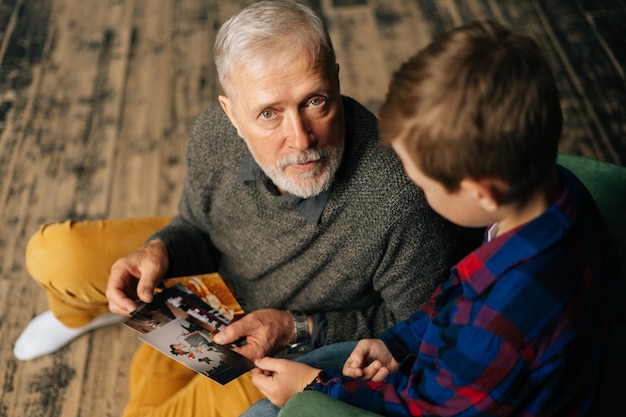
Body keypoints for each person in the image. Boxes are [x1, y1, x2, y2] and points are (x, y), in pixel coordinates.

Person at [14, 2, 481, 416]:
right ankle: (85, 313)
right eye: (268, 114)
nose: (301, 140)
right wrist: (159, 248)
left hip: (282, 349)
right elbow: (195, 224)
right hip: (209, 284)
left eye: (315, 101)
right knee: (55, 255)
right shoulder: (214, 134)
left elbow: (414, 331)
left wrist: (298, 327)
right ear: (231, 113)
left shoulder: (400, 199)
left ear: (336, 78)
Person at [250, 20, 620, 416]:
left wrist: (312, 388)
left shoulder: (500, 320)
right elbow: (456, 294)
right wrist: (397, 342)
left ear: (481, 191)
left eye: (424, 184)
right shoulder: (559, 190)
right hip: (453, 370)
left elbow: (426, 408)